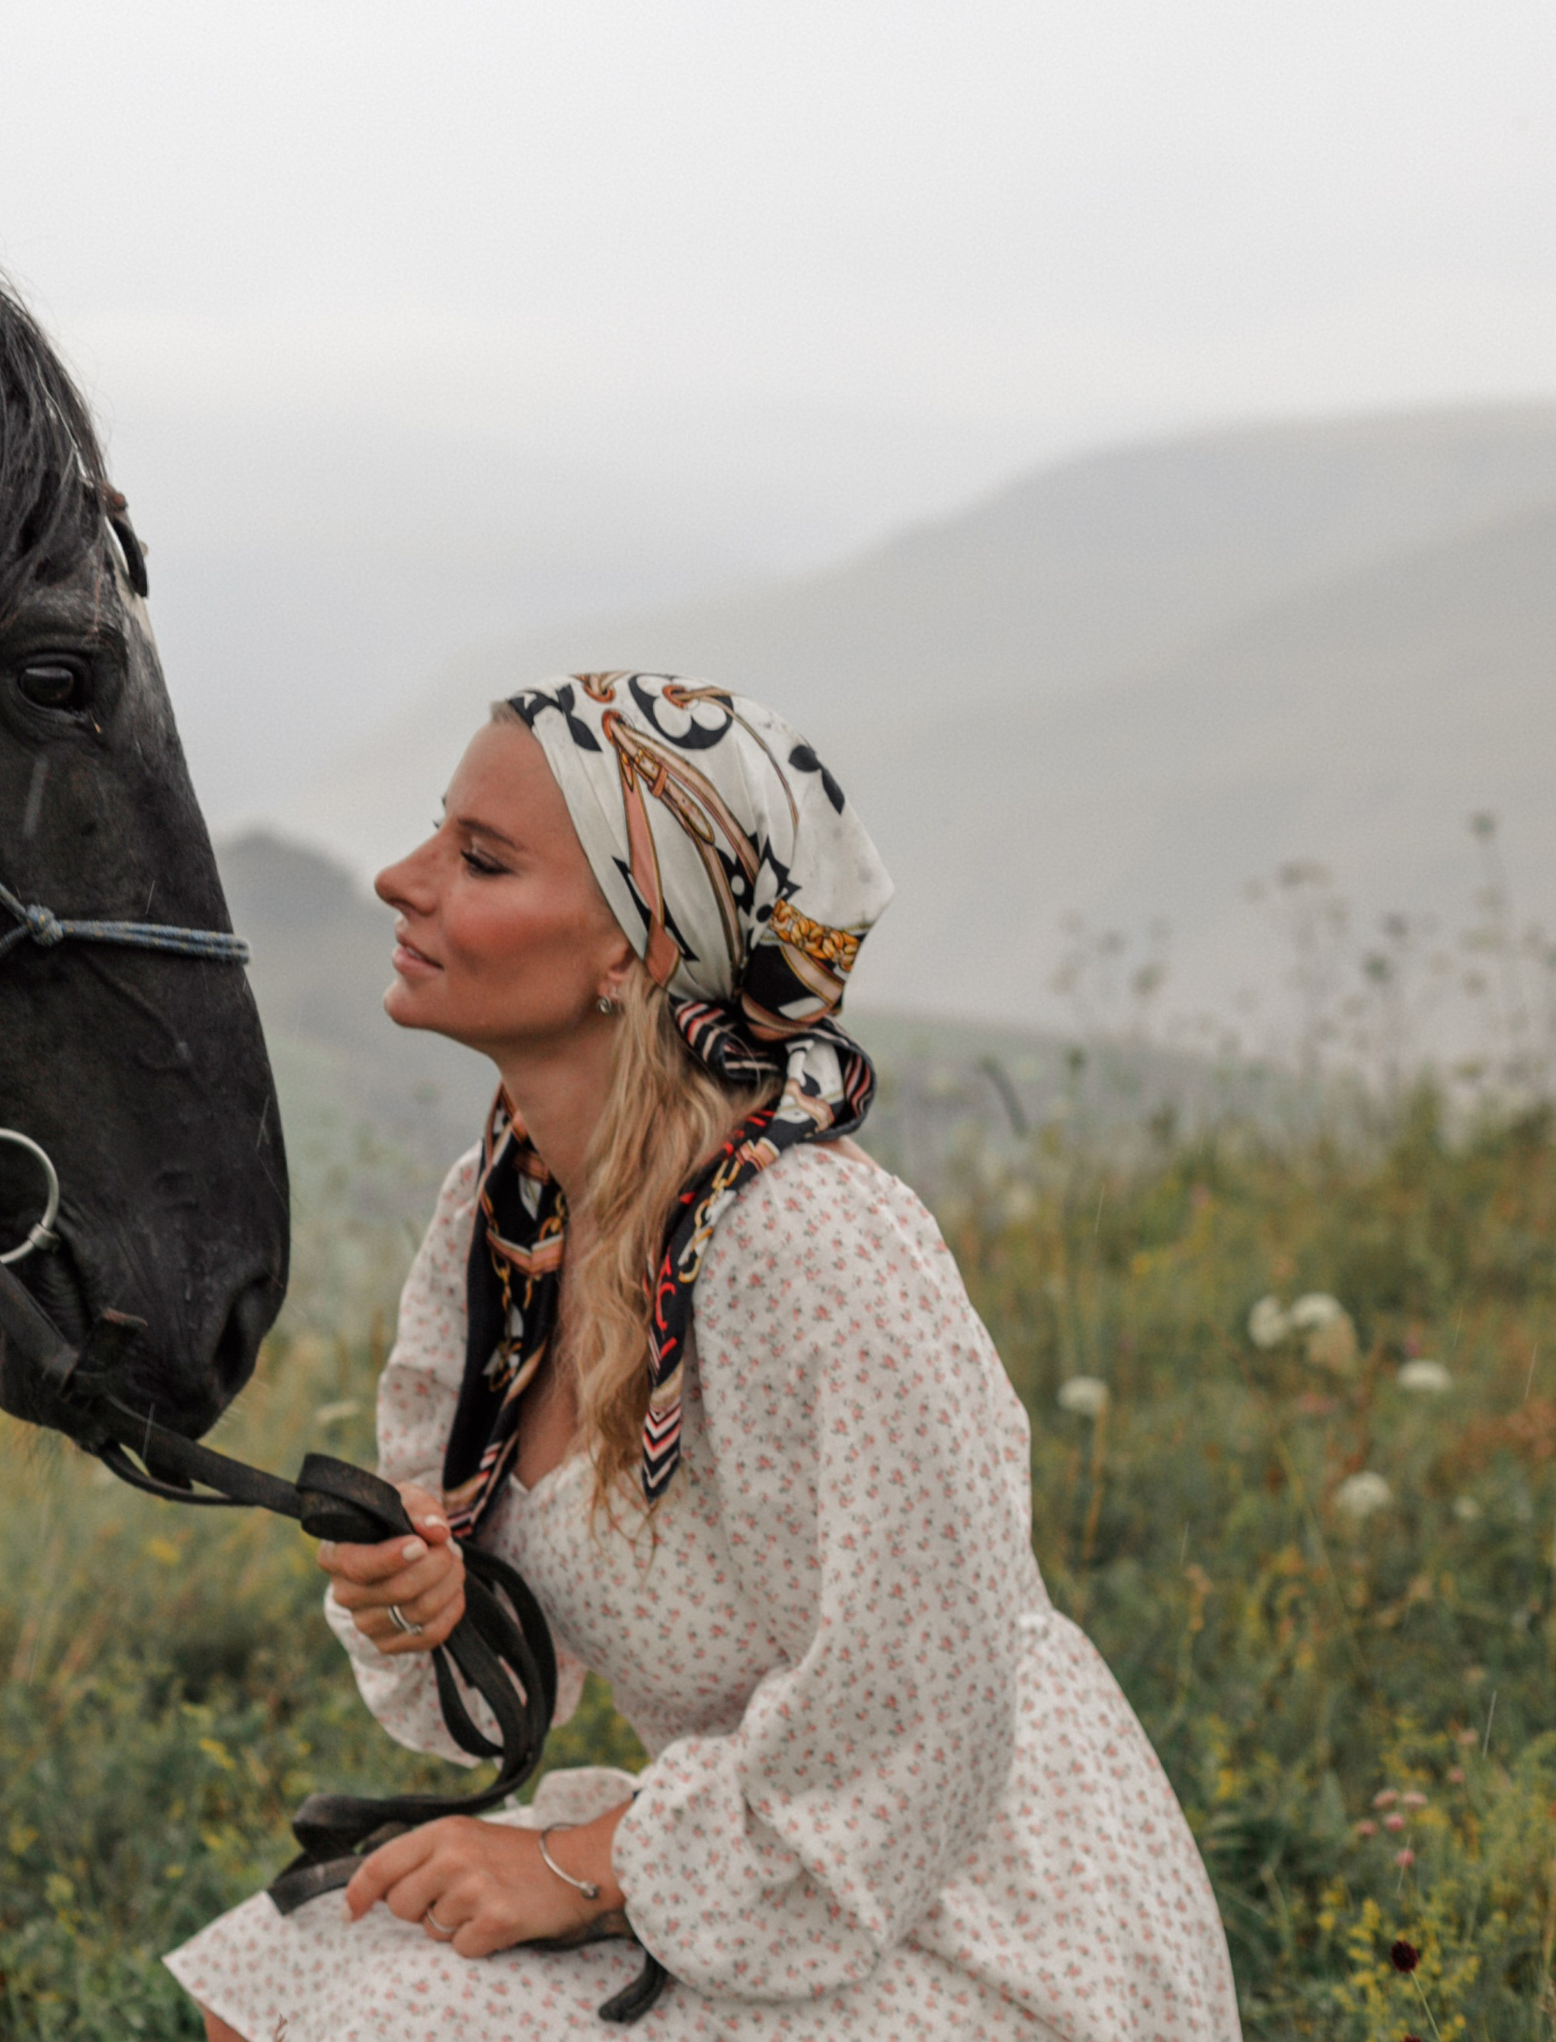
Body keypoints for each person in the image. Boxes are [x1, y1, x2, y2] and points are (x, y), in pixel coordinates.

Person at [165, 675, 1239, 2039]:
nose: (399, 878)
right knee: (285, 1973)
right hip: (741, 1847)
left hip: (966, 1907)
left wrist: (575, 1863)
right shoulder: (500, 1216)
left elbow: (917, 1716)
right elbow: (510, 1668)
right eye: (437, 835)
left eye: (479, 859)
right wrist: (432, 1600)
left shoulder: (825, 1252)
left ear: (634, 946)